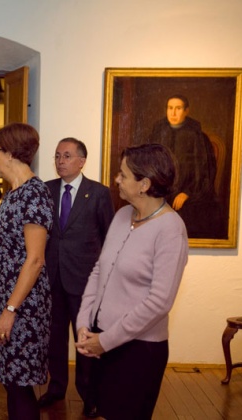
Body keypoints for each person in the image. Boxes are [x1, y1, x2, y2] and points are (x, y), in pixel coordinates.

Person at [75, 143, 189, 420]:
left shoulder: (171, 229)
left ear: (144, 184)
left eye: (123, 175)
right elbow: (99, 270)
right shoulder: (122, 215)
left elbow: (159, 302)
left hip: (139, 350)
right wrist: (83, 323)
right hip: (101, 339)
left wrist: (107, 340)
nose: (117, 180)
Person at [0, 123, 53, 420]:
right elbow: (6, 257)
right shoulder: (10, 194)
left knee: (20, 383)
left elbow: (34, 260)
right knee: (11, 381)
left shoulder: (35, 194)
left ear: (9, 153)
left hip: (26, 304)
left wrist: (10, 310)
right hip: (7, 299)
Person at [38, 138, 114, 417]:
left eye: (67, 156)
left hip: (84, 282)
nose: (60, 161)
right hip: (51, 278)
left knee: (85, 341)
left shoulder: (99, 193)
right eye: (57, 155)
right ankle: (56, 387)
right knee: (54, 339)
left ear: (81, 161)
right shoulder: (46, 189)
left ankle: (89, 395)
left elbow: (109, 238)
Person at [146, 94, 222, 238]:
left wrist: (188, 193)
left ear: (186, 111)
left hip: (191, 193)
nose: (173, 113)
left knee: (187, 214)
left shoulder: (197, 136)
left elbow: (206, 172)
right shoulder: (158, 133)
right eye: (170, 108)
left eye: (178, 108)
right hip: (160, 192)